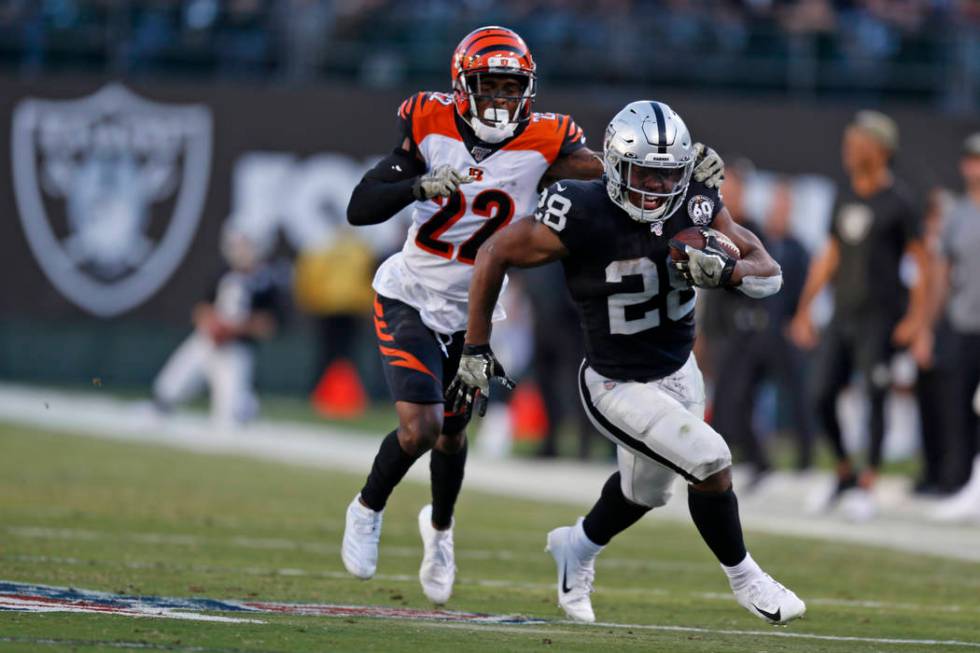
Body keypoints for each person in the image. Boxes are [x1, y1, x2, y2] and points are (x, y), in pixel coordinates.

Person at [340, 26, 725, 605]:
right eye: (488, 86)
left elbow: (622, 172)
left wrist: (688, 170)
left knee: (451, 433)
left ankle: (439, 532)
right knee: (420, 426)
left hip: (476, 310)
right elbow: (360, 205)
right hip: (413, 292)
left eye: (510, 87)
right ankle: (367, 507)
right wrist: (417, 184)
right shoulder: (428, 121)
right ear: (462, 86)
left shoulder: (548, 139)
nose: (499, 100)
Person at [449, 101, 804, 625]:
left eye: (668, 177)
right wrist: (475, 346)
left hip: (680, 371)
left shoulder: (696, 200)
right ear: (615, 166)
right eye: (646, 174)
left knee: (645, 492)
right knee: (709, 459)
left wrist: (726, 271)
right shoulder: (580, 209)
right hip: (614, 382)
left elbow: (767, 273)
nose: (658, 190)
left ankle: (576, 548)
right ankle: (747, 576)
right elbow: (494, 253)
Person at [788, 110, 928, 520]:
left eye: (857, 142)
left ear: (880, 149)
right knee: (820, 394)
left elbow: (921, 263)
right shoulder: (845, 194)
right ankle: (844, 472)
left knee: (875, 396)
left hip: (881, 317)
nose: (849, 149)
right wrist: (804, 308)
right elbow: (830, 254)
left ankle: (868, 482)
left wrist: (917, 320)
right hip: (843, 313)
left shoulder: (899, 201)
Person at [709, 179, 813, 479]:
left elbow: (803, 289)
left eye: (784, 206)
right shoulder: (755, 238)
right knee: (737, 397)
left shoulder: (797, 248)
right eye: (775, 205)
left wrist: (800, 320)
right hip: (751, 334)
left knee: (797, 395)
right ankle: (756, 458)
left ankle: (805, 460)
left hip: (782, 332)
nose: (778, 212)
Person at [153, 225, 284, 428]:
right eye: (238, 245)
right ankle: (161, 410)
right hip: (207, 340)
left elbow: (268, 325)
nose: (241, 251)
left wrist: (234, 329)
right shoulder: (221, 273)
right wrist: (213, 324)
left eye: (246, 245)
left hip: (236, 350)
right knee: (169, 386)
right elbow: (201, 309)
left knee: (227, 415)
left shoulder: (266, 282)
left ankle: (246, 406)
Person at [924, 133, 980, 521]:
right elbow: (941, 276)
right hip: (963, 323)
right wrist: (927, 326)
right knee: (960, 407)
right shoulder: (958, 214)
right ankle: (963, 483)